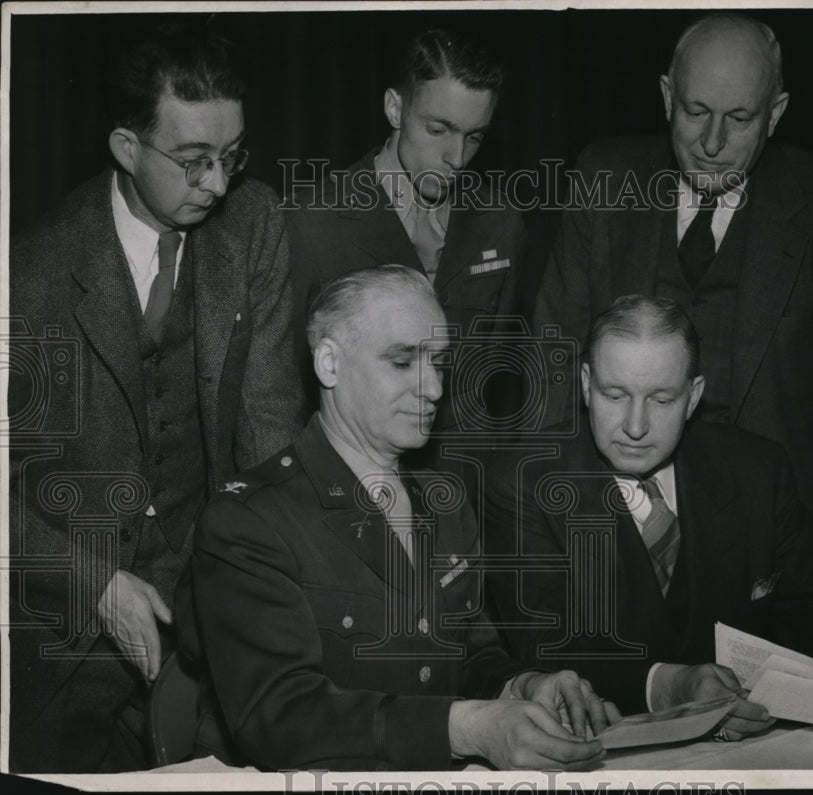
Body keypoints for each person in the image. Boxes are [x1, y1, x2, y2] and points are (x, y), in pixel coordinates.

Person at [180, 265, 624, 771]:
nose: (433, 388)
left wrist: (524, 685)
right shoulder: (248, 522)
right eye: (402, 362)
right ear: (329, 363)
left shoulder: (447, 500)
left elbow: (470, 656)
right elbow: (280, 719)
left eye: (438, 362)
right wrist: (466, 728)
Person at [7, 24, 304, 773]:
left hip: (210, 634)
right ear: (125, 147)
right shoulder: (30, 271)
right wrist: (94, 581)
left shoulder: (255, 225)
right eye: (194, 160)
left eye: (231, 155)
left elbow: (269, 435)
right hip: (61, 641)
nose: (217, 183)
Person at [533, 12, 813, 590]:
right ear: (666, 97)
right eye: (695, 112)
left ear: (775, 114)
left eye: (739, 119)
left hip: (784, 550)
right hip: (618, 542)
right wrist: (552, 548)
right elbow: (552, 369)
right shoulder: (602, 180)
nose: (711, 144)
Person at [486, 295, 813, 722]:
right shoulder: (523, 481)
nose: (635, 426)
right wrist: (667, 684)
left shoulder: (756, 469)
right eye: (614, 395)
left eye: (662, 400)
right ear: (584, 384)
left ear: (693, 397)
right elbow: (546, 647)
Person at [284, 29, 527, 442]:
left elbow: (488, 391)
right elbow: (283, 390)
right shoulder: (311, 222)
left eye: (475, 137)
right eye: (438, 130)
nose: (456, 158)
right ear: (395, 109)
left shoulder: (501, 224)